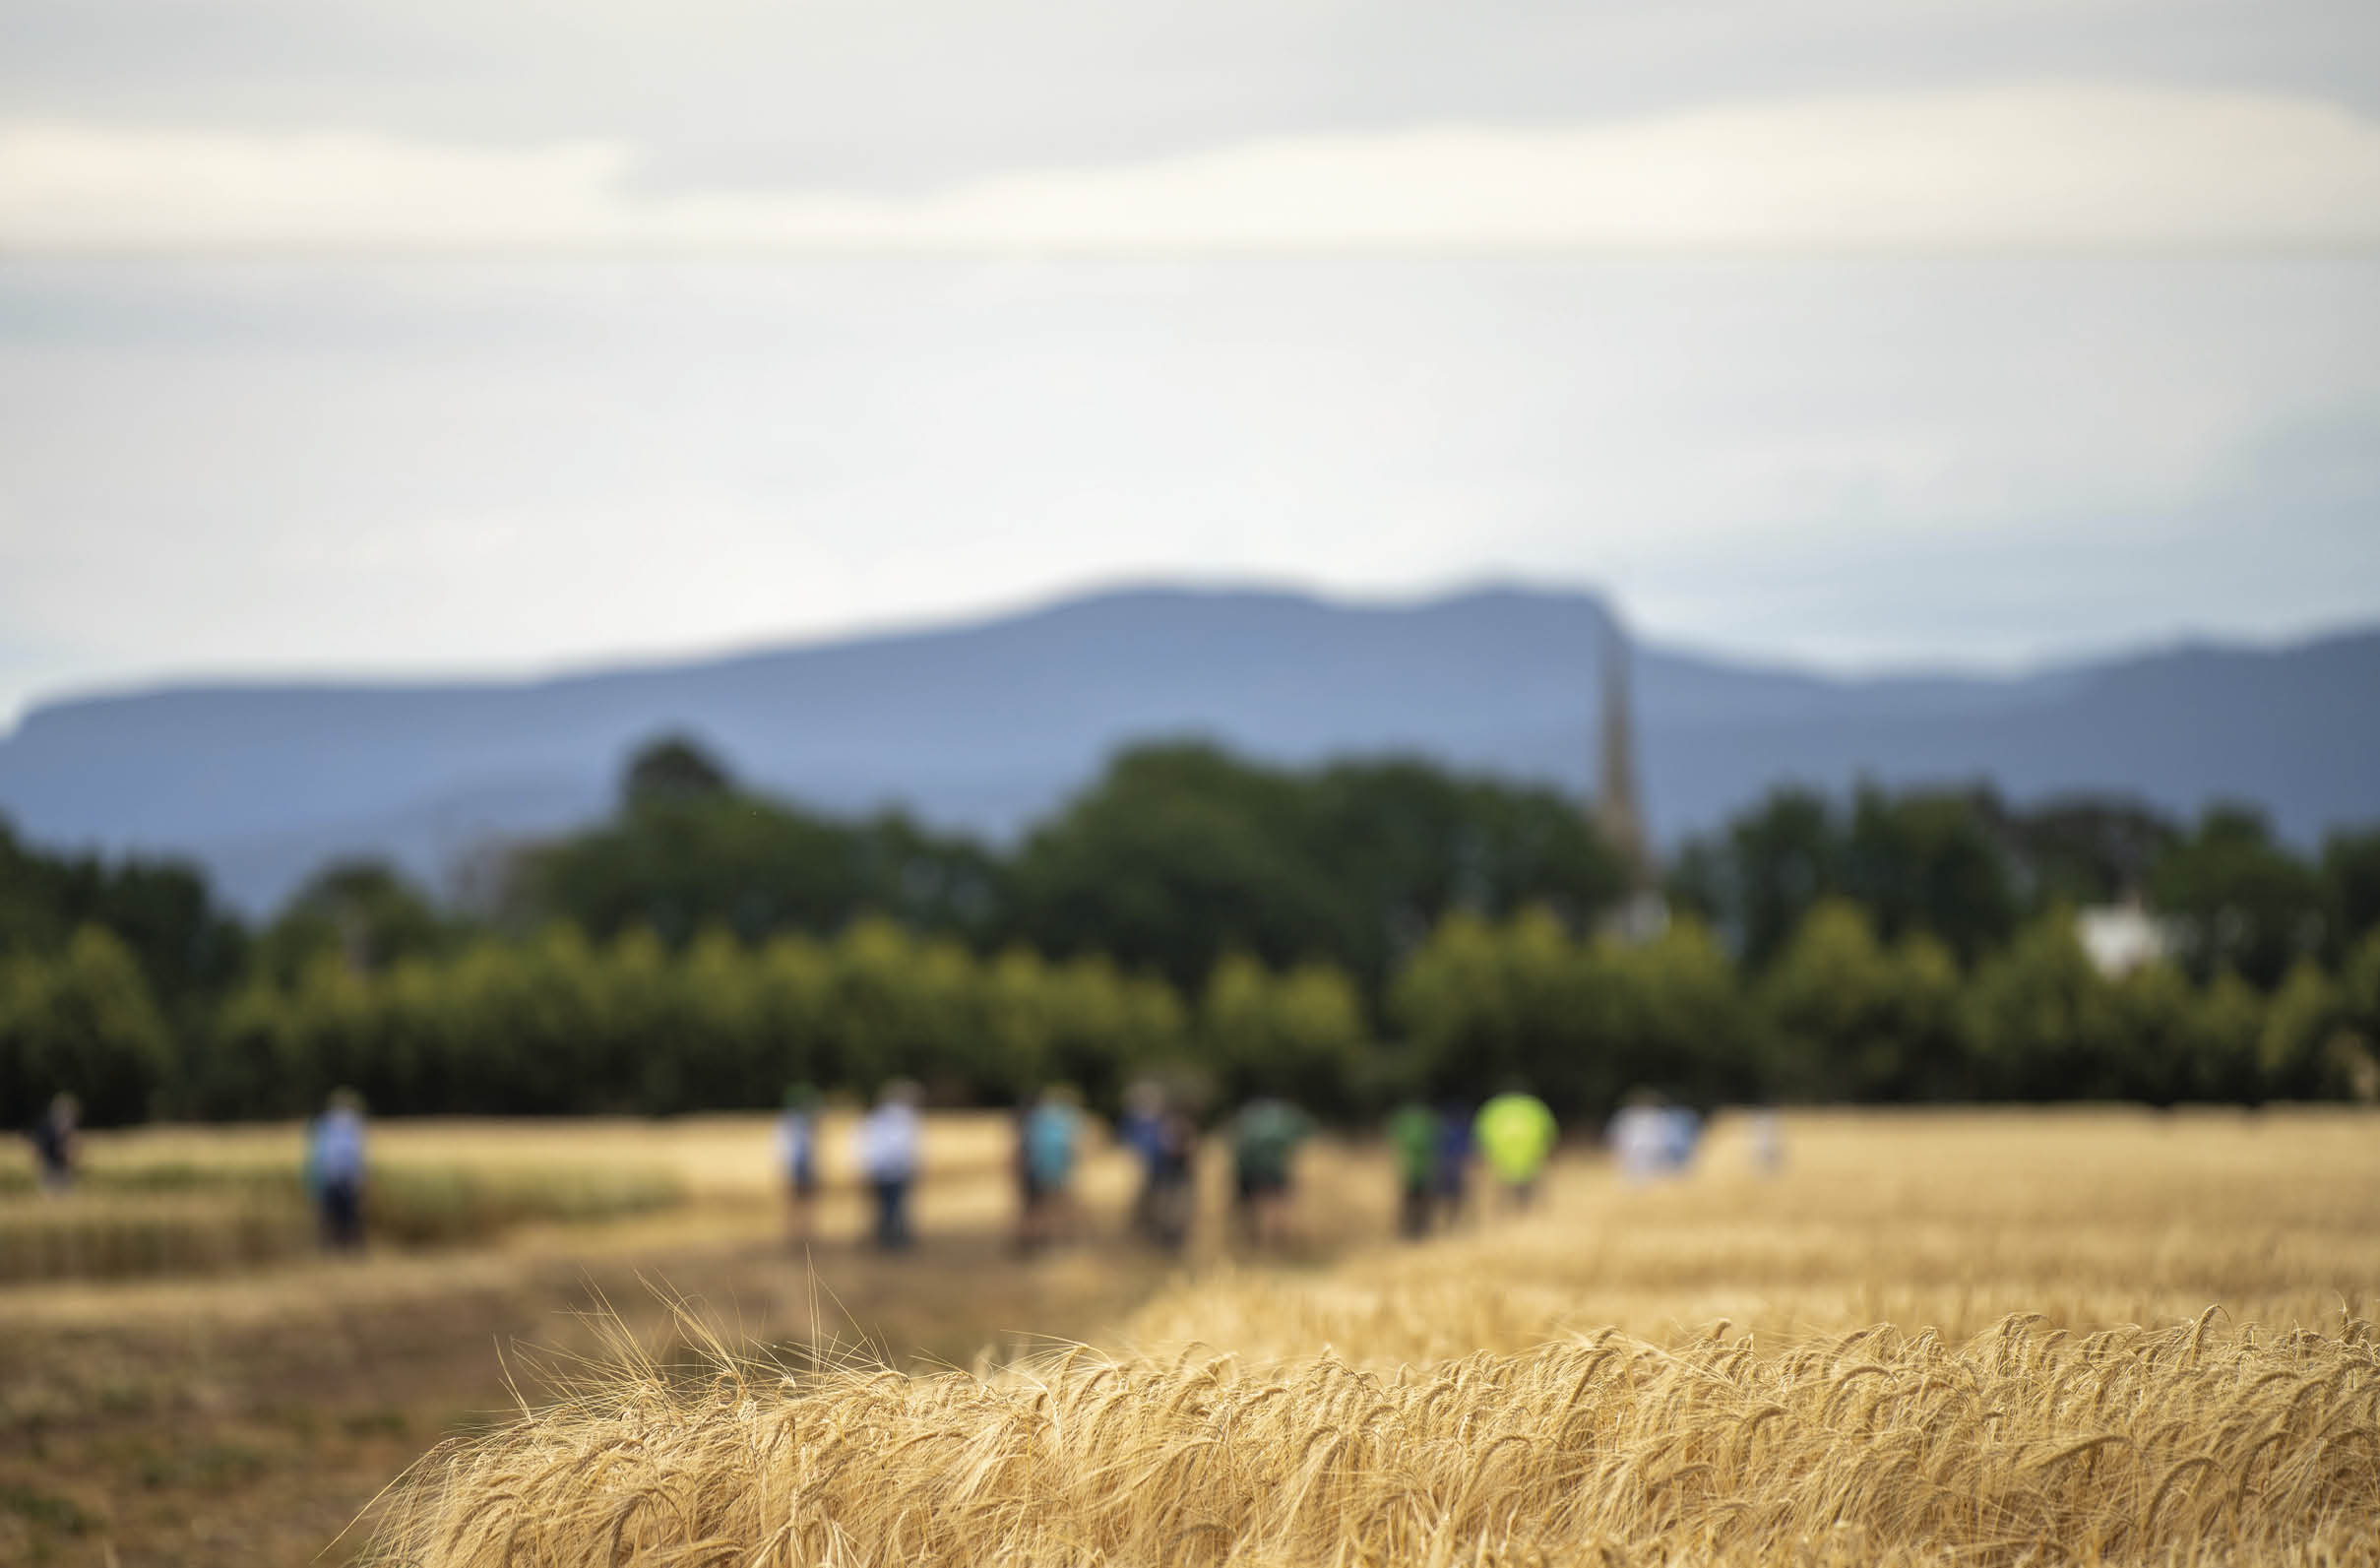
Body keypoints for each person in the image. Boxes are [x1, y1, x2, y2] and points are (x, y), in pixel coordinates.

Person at [1229, 1097, 1314, 1249]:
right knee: (1277, 1207)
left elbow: (1235, 1144)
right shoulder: (1284, 1121)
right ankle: (1277, 1243)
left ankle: (1255, 1242)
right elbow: (1303, 1136)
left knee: (1253, 1208)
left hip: (1251, 1170)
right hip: (1275, 1169)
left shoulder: (1247, 1119)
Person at [855, 1080, 921, 1251]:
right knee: (896, 1207)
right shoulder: (905, 1118)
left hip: (880, 1170)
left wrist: (866, 1168)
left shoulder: (874, 1119)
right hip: (897, 1171)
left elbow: (865, 1146)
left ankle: (886, 1239)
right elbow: (908, 1146)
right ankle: (895, 1240)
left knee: (886, 1208)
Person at [1020, 1086, 1083, 1250]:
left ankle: (1044, 1240)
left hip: (1041, 1170)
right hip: (1051, 1170)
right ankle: (1055, 1239)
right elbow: (1071, 1149)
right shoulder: (1062, 1123)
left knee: (1042, 1208)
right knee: (1052, 1207)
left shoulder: (1036, 1121)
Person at [1473, 1089, 1557, 1210]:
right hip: (1531, 1158)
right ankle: (1527, 1214)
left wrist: (1484, 1154)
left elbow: (1480, 1135)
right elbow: (1549, 1133)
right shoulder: (1534, 1106)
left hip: (1501, 1160)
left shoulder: (1493, 1108)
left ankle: (1508, 1214)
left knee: (1505, 1194)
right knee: (1529, 1193)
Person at [307, 1088, 368, 1249]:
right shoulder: (327, 1126)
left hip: (341, 1179)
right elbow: (320, 1157)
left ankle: (345, 1249)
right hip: (334, 1179)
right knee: (334, 1218)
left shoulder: (350, 1127)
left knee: (346, 1218)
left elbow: (357, 1157)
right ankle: (335, 1249)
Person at [776, 1084, 822, 1245]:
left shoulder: (805, 1124)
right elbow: (784, 1148)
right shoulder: (791, 1124)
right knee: (796, 1202)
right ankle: (795, 1234)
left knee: (805, 1201)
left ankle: (805, 1233)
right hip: (795, 1166)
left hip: (803, 1166)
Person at [1387, 1099, 1438, 1239]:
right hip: (1418, 1171)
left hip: (1414, 1171)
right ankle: (1415, 1230)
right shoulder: (1427, 1125)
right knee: (1418, 1203)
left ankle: (1413, 1230)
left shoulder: (1405, 1126)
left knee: (1414, 1203)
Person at [1432, 1098, 1475, 1229]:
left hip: (1445, 1168)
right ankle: (1455, 1224)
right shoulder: (1462, 1131)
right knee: (1457, 1200)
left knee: (1447, 1200)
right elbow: (1468, 1151)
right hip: (1455, 1169)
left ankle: (1450, 1224)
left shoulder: (1441, 1130)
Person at [28, 1093, 78, 1195]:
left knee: (62, 1193)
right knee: (52, 1192)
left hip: (59, 1167)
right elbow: (42, 1146)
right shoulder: (49, 1128)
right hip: (51, 1167)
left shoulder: (60, 1129)